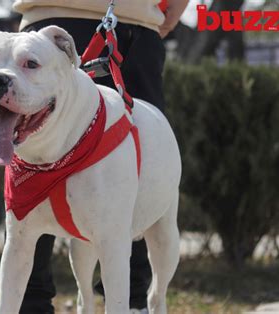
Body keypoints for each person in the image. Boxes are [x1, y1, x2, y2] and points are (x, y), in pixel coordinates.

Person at [12, 0, 189, 313]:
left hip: (114, 23)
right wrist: (171, 8)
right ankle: (129, 304)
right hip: (117, 22)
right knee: (41, 173)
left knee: (133, 178)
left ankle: (122, 303)